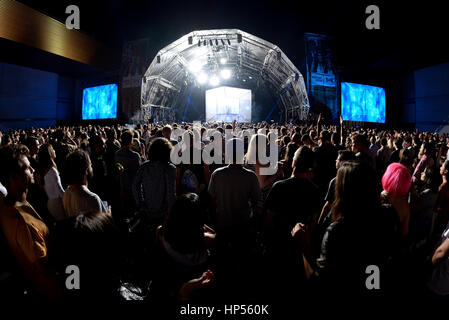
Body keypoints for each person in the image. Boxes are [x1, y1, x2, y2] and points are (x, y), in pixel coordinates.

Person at [292, 161, 401, 295]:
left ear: (342, 192)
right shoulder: (389, 214)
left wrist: (304, 246)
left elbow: (320, 282)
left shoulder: (337, 231)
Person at [0, 145, 62, 297]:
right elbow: (44, 275)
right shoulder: (23, 223)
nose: (33, 170)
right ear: (12, 177)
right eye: (27, 168)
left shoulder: (7, 204)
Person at [208, 138, 261, 237]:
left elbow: (212, 199)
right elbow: (256, 202)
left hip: (222, 224)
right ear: (243, 153)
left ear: (226, 153)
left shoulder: (217, 174)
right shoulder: (251, 176)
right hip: (243, 225)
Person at [133, 137, 176, 227]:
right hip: (164, 212)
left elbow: (135, 185)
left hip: (147, 208)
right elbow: (171, 192)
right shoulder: (170, 168)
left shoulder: (144, 166)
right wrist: (170, 211)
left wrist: (140, 203)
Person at [63, 150, 107, 218]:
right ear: (86, 170)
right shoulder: (92, 198)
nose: (91, 166)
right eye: (90, 165)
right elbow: (100, 225)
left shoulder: (67, 193)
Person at [115, 130, 141, 216]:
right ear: (131, 141)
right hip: (133, 186)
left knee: (124, 210)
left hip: (122, 185)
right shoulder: (135, 156)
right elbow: (139, 172)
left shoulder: (117, 154)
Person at [37, 144, 65, 221]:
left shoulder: (41, 171)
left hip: (50, 202)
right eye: (52, 149)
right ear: (49, 153)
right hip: (57, 203)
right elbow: (60, 190)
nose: (54, 150)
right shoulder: (52, 170)